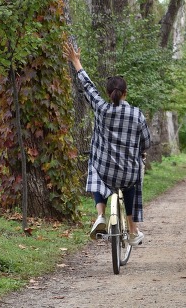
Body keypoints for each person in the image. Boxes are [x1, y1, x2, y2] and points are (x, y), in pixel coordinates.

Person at [63, 41, 151, 246]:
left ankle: (100, 216)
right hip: (128, 173)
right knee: (132, 182)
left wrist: (76, 61)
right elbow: (146, 141)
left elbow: (87, 86)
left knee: (94, 165)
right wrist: (140, 153)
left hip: (106, 172)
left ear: (108, 93)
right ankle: (132, 229)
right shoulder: (137, 114)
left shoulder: (102, 109)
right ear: (125, 92)